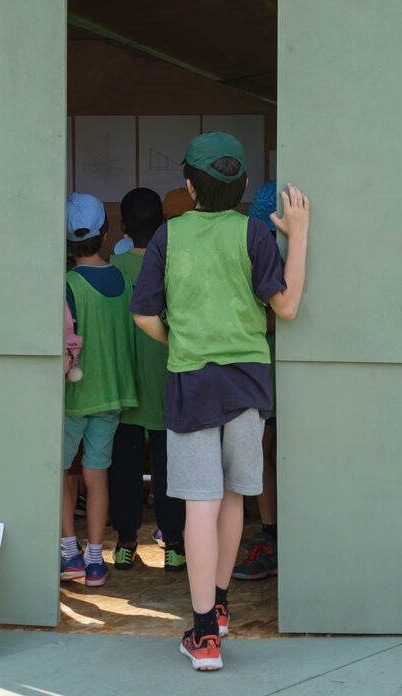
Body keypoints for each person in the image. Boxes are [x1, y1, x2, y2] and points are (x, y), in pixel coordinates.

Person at [130, 132, 309, 671]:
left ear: (188, 186)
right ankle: (222, 605)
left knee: (198, 507)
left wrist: (183, 341)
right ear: (246, 185)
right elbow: (289, 307)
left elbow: (144, 315)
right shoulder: (255, 234)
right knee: (234, 498)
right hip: (248, 384)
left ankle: (204, 633)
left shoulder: (168, 235)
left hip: (192, 383)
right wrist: (297, 236)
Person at [60, 193, 137, 587]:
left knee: (61, 472)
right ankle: (94, 560)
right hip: (112, 396)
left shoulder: (68, 284)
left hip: (73, 398)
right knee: (96, 475)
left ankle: (68, 554)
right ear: (106, 233)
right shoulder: (123, 279)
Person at [109, 188, 187, 572]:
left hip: (124, 387)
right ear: (162, 224)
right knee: (169, 467)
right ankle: (174, 546)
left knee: (123, 468)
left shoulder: (112, 268)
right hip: (167, 383)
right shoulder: (172, 265)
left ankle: (125, 544)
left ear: (122, 226)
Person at [233, 180, 279, 581]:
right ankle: (273, 537)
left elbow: (274, 314)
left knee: (264, 453)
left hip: (266, 370)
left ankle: (273, 537)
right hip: (271, 372)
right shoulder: (288, 252)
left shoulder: (262, 252)